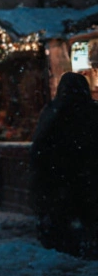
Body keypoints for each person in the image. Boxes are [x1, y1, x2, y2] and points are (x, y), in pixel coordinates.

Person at [29, 72, 98, 257]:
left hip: (60, 177)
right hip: (87, 176)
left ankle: (68, 250)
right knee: (89, 217)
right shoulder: (91, 111)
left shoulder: (54, 111)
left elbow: (39, 147)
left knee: (61, 222)